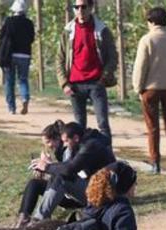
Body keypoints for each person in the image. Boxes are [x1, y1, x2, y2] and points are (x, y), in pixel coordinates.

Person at [132, 7, 166, 174]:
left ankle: (155, 162)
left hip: (151, 88)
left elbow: (141, 66)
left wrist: (138, 87)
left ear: (151, 22)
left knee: (152, 127)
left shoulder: (147, 40)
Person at [31, 121, 115, 220]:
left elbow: (69, 169)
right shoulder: (81, 144)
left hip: (105, 195)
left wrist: (47, 167)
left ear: (75, 138)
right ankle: (38, 217)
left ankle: (39, 219)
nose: (65, 145)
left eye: (66, 141)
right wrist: (50, 166)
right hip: (96, 188)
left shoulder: (90, 146)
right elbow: (68, 166)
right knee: (58, 175)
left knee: (62, 177)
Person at [56, 0, 117, 137]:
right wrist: (64, 83)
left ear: (91, 8)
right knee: (78, 126)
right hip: (75, 85)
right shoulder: (68, 32)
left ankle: (108, 155)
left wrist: (104, 77)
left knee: (103, 123)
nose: (80, 11)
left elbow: (113, 57)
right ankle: (80, 156)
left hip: (96, 82)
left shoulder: (102, 30)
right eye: (76, 7)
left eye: (83, 7)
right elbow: (60, 59)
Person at [16, 121, 68, 226]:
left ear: (58, 138)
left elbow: (68, 173)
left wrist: (49, 166)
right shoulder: (59, 151)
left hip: (75, 195)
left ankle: (39, 220)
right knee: (34, 183)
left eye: (49, 141)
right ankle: (23, 218)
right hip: (64, 190)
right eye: (45, 143)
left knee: (56, 179)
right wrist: (45, 168)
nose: (48, 146)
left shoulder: (69, 150)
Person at [0, 0, 34, 114]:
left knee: (9, 81)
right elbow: (32, 38)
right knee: (23, 80)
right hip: (25, 55)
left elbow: (1, 36)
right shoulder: (29, 23)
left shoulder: (9, 21)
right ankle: (25, 98)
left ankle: (11, 108)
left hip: (10, 55)